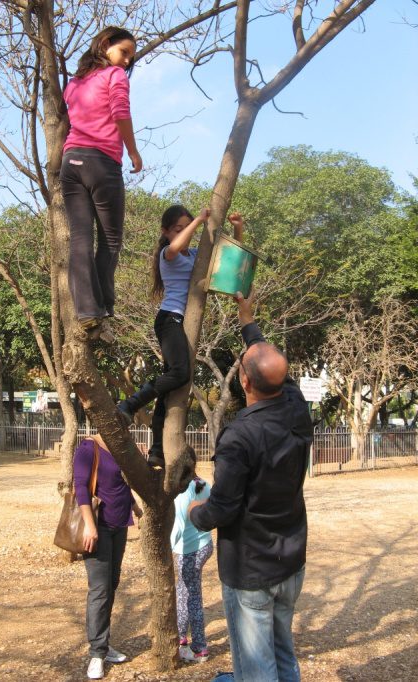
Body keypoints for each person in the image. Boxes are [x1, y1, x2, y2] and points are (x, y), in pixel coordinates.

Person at [189, 290, 313, 682]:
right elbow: (273, 366)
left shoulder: (239, 437)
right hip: (290, 559)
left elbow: (222, 509)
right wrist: (248, 321)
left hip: (252, 569)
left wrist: (195, 514)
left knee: (258, 670)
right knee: (283, 653)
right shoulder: (297, 407)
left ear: (243, 379)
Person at [118, 209, 245, 466]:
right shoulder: (168, 255)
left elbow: (230, 259)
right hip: (169, 320)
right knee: (179, 374)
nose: (185, 232)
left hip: (180, 324)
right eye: (179, 228)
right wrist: (198, 221)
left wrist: (238, 228)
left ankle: (156, 450)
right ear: (165, 232)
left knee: (171, 388)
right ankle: (129, 405)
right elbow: (175, 248)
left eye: (187, 227)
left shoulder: (197, 256)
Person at [60, 26, 143, 343]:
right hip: (101, 162)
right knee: (110, 240)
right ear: (105, 44)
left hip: (72, 163)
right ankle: (105, 309)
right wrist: (133, 151)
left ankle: (87, 312)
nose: (125, 62)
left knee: (81, 238)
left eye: (130, 58)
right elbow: (120, 111)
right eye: (124, 52)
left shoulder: (75, 83)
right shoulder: (115, 77)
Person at [74, 434, 143, 680]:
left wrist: (133, 505)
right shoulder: (88, 448)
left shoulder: (119, 447)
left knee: (111, 586)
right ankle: (96, 653)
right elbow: (80, 487)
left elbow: (122, 482)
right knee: (100, 591)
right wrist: (90, 525)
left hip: (119, 527)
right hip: (99, 529)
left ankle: (104, 643)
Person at [171, 447, 213, 663]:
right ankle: (184, 638)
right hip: (205, 546)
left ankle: (198, 646)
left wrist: (166, 552)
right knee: (186, 591)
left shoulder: (182, 492)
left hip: (188, 551)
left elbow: (177, 528)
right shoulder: (204, 484)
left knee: (189, 595)